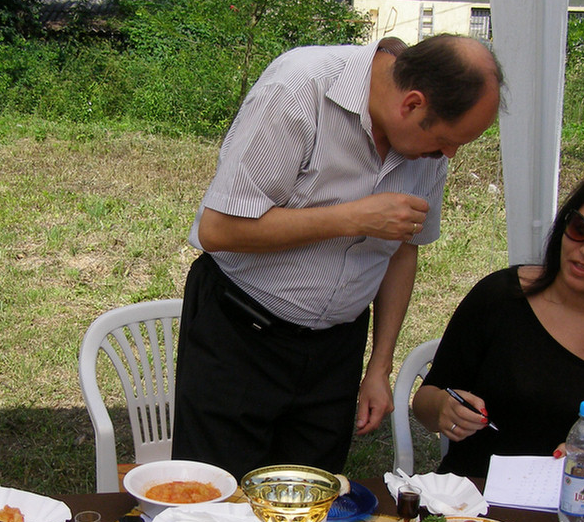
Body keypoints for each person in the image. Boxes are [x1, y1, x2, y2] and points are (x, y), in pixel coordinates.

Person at [171, 34, 503, 480]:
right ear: (412, 104)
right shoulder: (300, 87)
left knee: (312, 502)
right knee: (221, 502)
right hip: (240, 334)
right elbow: (218, 230)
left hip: (336, 350)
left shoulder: (425, 144)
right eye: (444, 140)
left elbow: (402, 251)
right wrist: (352, 218)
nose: (448, 154)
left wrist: (379, 366)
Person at [413, 164, 584, 495]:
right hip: (467, 503)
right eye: (581, 228)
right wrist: (443, 408)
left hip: (571, 513)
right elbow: (425, 400)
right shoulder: (500, 296)